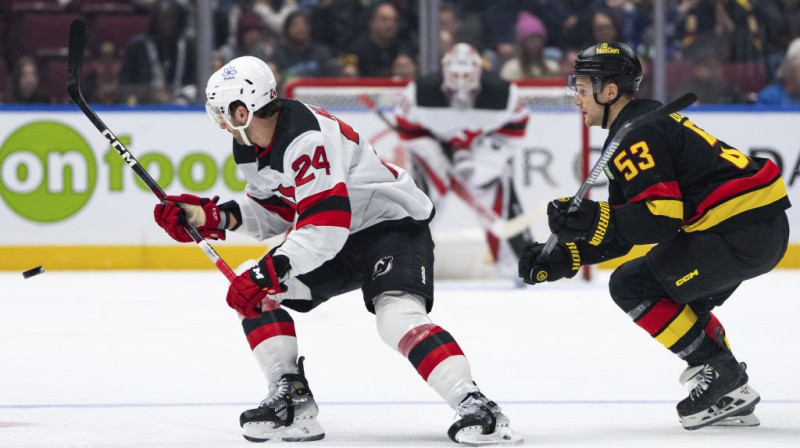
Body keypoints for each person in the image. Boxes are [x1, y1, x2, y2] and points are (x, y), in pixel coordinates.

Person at [152, 55, 522, 445]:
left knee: (396, 316)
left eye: (221, 112)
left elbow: (325, 226)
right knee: (260, 294)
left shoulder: (306, 137)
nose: (220, 121)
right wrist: (209, 216)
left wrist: (266, 271)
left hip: (390, 227)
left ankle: (479, 407)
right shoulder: (250, 145)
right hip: (341, 236)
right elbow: (277, 211)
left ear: (242, 110)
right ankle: (292, 400)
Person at [518, 42, 791, 430]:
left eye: (581, 88)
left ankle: (722, 374)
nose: (575, 98)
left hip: (738, 231)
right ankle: (728, 388)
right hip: (756, 230)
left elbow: (661, 221)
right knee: (671, 303)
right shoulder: (632, 130)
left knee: (632, 286)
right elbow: (624, 231)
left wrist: (592, 216)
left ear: (609, 91)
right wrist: (567, 255)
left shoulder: (636, 135)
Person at [395, 42, 533, 278]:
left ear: (479, 73)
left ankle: (518, 268)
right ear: (445, 73)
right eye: (456, 75)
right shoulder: (420, 92)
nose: (461, 82)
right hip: (436, 147)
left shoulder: (502, 93)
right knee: (424, 203)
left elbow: (517, 127)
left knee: (489, 186)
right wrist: (435, 157)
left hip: (480, 149)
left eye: (467, 75)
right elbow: (407, 127)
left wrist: (484, 157)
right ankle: (404, 265)